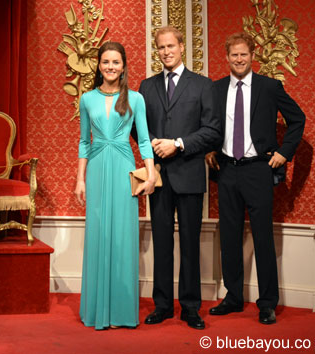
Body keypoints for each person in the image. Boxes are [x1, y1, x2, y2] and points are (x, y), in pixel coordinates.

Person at [205, 32, 305, 325]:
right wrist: (210, 149)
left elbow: (297, 119)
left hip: (259, 170)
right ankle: (233, 297)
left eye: (244, 54)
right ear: (227, 58)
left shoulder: (270, 87)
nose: (239, 59)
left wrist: (285, 152)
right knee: (230, 237)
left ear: (253, 56)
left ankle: (267, 303)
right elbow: (208, 125)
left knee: (262, 238)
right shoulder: (216, 89)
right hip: (227, 171)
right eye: (234, 55)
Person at [138, 26, 221, 330]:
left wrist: (179, 144)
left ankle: (190, 307)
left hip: (188, 174)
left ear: (182, 47)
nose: (166, 52)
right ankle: (162, 305)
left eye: (171, 46)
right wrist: (156, 143)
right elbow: (138, 128)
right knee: (161, 242)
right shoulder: (146, 87)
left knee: (189, 244)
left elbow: (212, 130)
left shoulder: (202, 85)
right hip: (157, 176)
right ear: (156, 50)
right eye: (161, 48)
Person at [74, 42, 156, 330]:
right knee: (98, 234)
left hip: (123, 169)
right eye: (106, 62)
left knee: (122, 237)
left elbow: (144, 140)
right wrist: (80, 179)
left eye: (116, 62)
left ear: (124, 66)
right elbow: (85, 141)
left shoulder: (136, 99)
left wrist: (151, 173)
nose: (110, 67)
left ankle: (121, 311)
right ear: (99, 65)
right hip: (96, 169)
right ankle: (97, 309)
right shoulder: (87, 99)